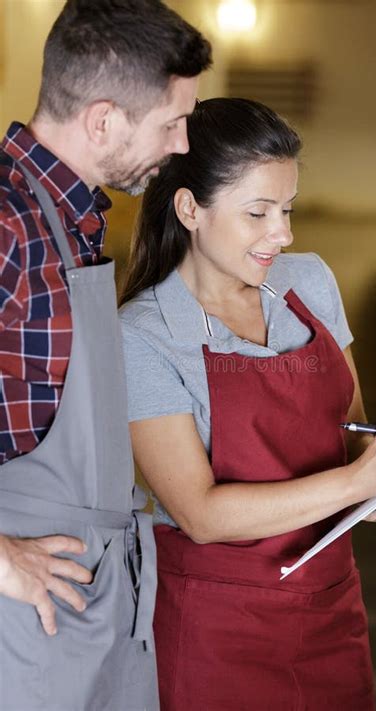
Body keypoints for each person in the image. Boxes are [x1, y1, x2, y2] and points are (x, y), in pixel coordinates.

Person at [119, 98, 376, 711]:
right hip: (216, 632)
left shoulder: (310, 281)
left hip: (330, 610)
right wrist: (357, 481)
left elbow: (352, 433)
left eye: (287, 209)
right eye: (258, 212)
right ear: (189, 209)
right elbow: (201, 515)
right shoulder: (142, 335)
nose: (284, 234)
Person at [0, 0, 211, 709]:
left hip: (91, 615)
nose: (183, 144)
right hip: (24, 628)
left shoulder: (68, 219)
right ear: (101, 120)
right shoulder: (6, 227)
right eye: (170, 123)